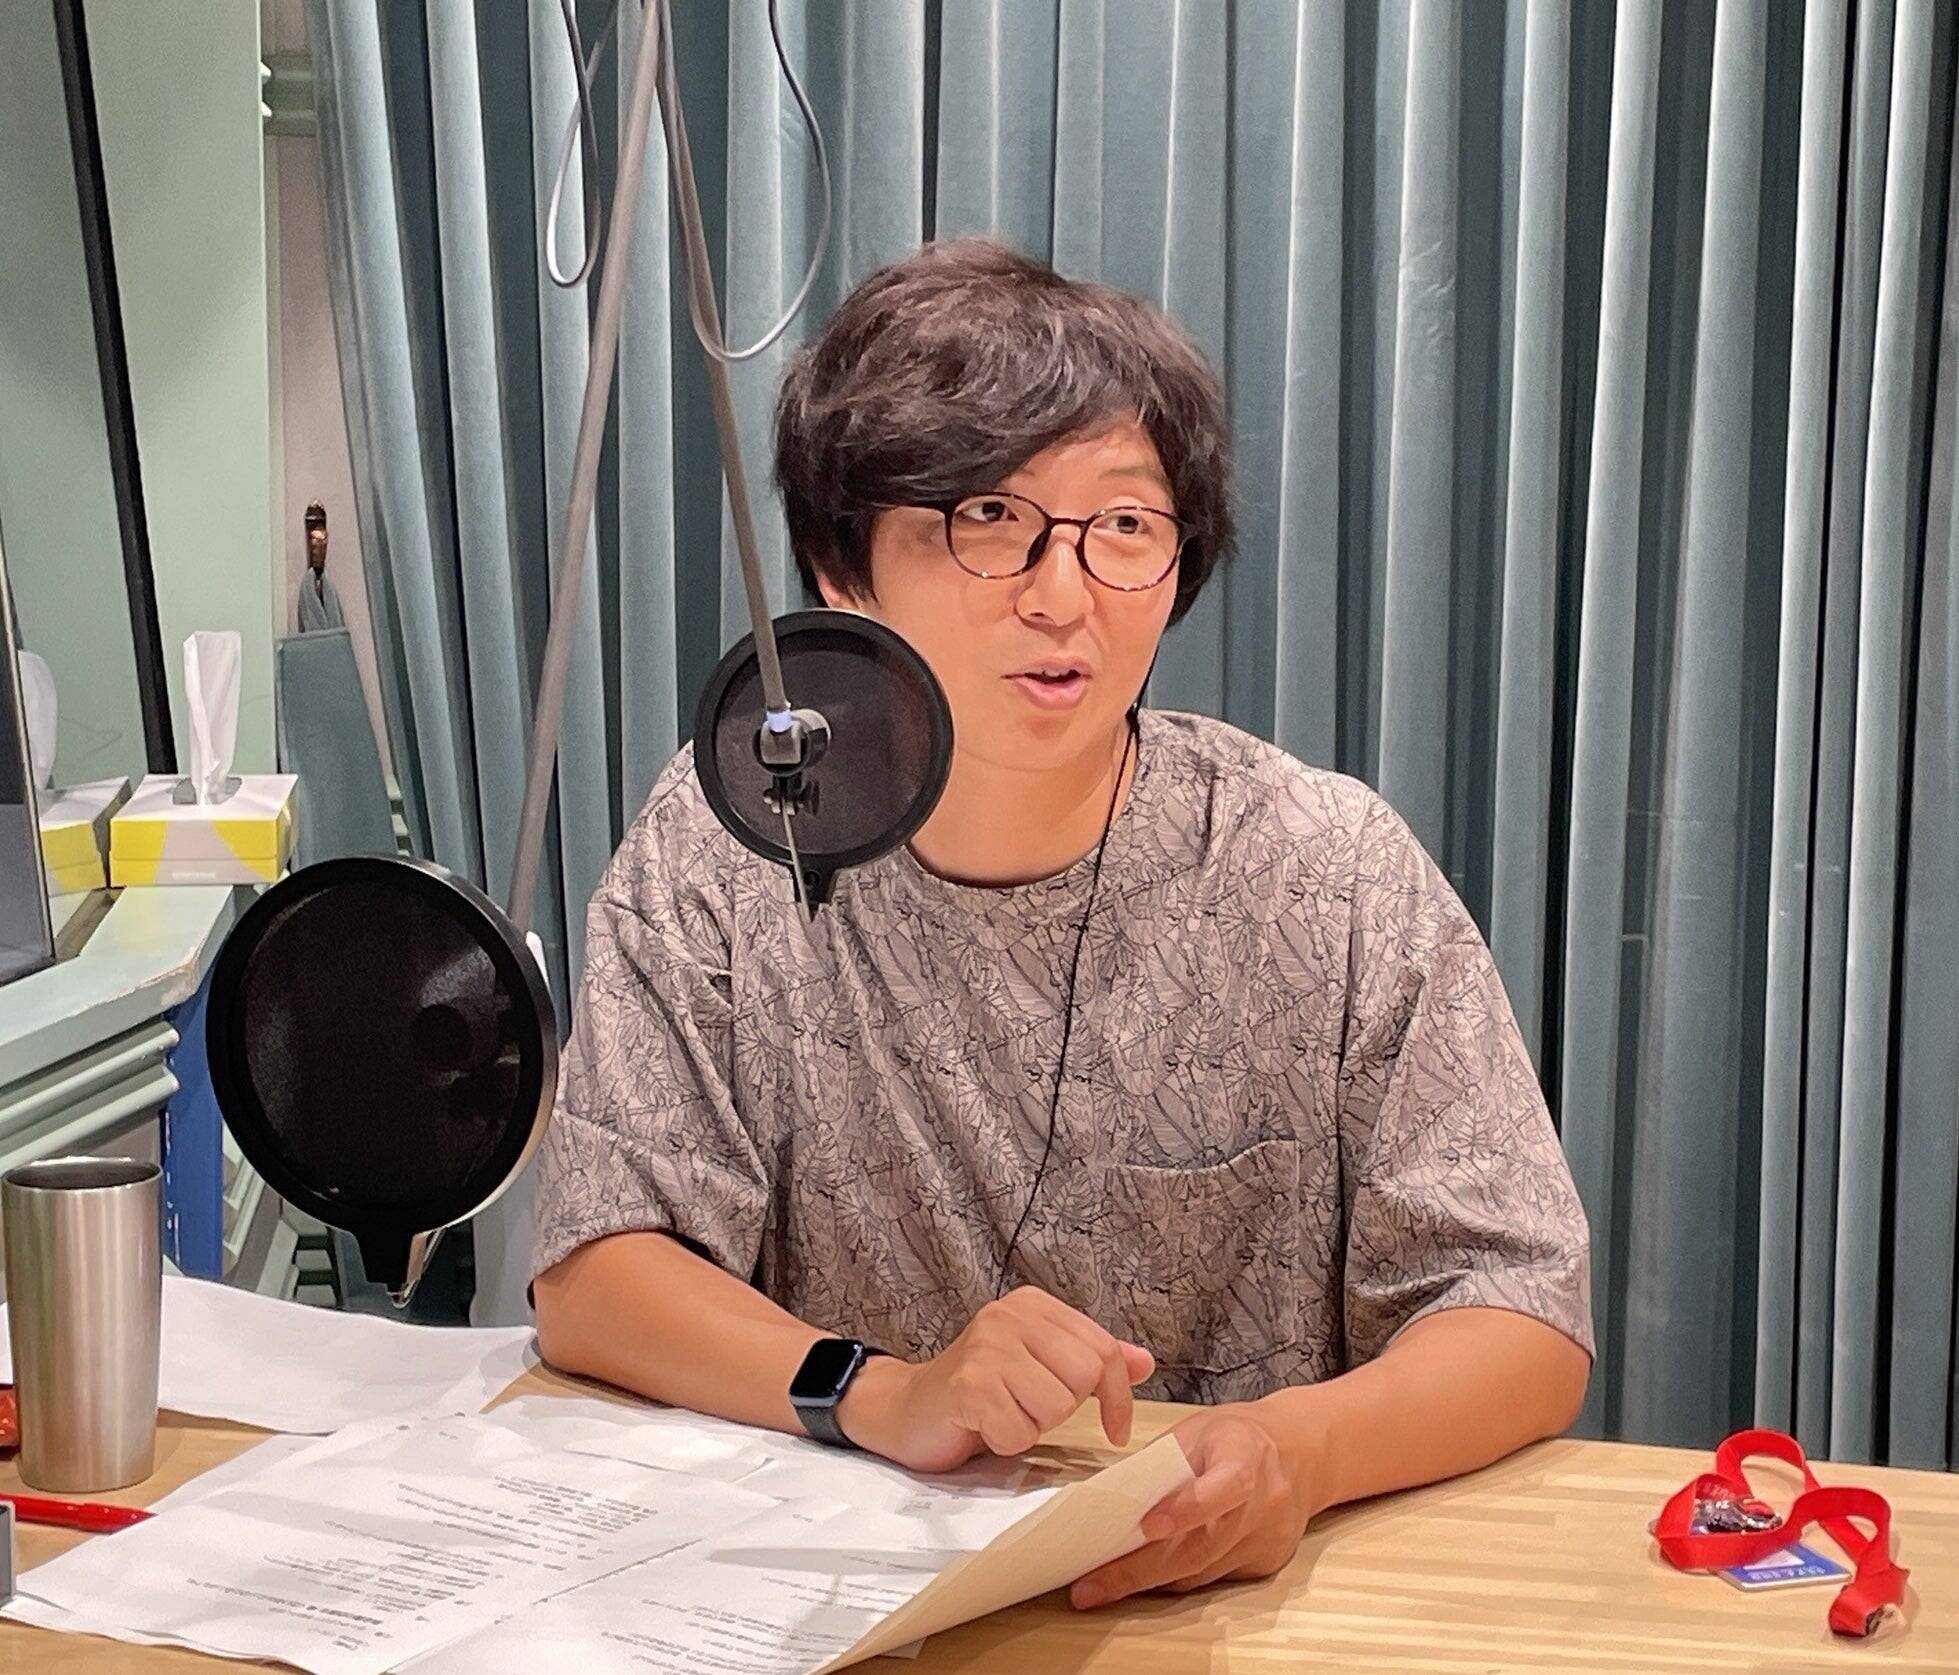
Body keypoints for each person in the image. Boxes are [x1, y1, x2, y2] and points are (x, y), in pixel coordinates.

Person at [531, 238, 1593, 1609]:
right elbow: (601, 1272)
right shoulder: (735, 832)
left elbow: (1519, 1305)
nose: (1061, 595)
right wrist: (883, 1393)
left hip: (1224, 1611)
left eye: (1124, 528)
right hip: (835, 1604)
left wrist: (1298, 1453)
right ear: (843, 567)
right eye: (988, 518)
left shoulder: (1325, 869)